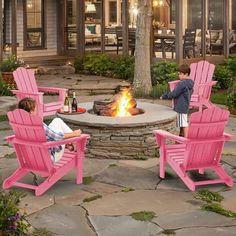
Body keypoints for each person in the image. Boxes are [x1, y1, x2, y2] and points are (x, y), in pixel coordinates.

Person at [18, 97, 82, 162]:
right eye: (35, 108)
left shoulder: (19, 125)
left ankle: (71, 143)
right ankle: (73, 142)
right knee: (59, 133)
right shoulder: (37, 124)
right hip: (48, 158)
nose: (37, 110)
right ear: (31, 112)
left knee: (57, 120)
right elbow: (57, 137)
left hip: (30, 157)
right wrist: (74, 134)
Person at [160, 64, 194, 137]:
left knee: (184, 123)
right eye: (178, 73)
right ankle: (181, 135)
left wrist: (164, 96)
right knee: (182, 122)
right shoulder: (190, 83)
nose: (179, 75)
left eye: (180, 74)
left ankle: (186, 140)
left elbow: (174, 94)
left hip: (181, 107)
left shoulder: (182, 84)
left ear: (186, 74)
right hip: (185, 105)